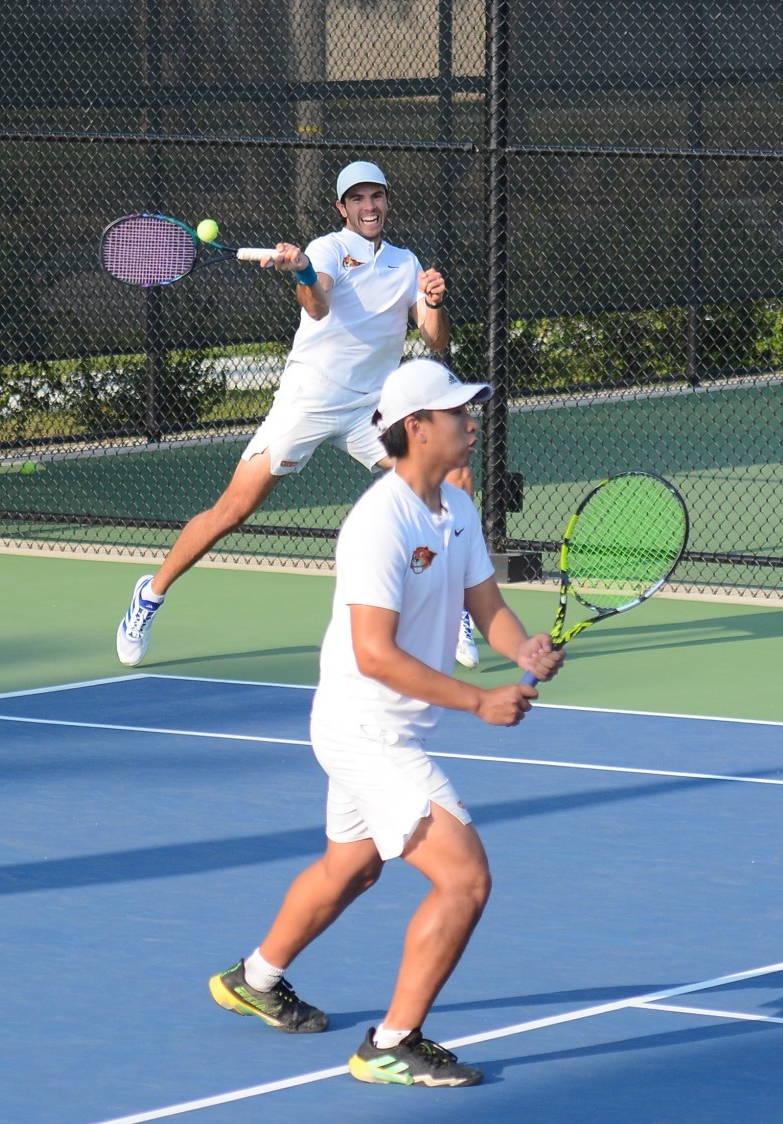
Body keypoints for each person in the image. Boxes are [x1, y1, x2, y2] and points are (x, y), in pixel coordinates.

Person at [205, 358, 563, 1088]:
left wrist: (519, 646)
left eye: (470, 409)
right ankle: (392, 1043)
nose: (471, 421)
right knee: (464, 880)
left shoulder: (455, 509)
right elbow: (374, 653)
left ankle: (256, 979)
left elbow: (485, 606)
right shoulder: (378, 522)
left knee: (354, 865)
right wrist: (477, 699)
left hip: (381, 725)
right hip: (364, 728)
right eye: (456, 411)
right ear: (416, 428)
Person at [116, 161, 486, 670]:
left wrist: (434, 301)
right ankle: (150, 594)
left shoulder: (406, 263)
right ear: (343, 208)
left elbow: (435, 339)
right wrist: (304, 271)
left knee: (452, 479)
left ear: (386, 201)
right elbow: (317, 305)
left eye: (376, 196)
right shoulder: (328, 248)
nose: (369, 206)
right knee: (234, 511)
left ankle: (455, 608)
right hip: (309, 397)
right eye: (357, 199)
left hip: (371, 410)